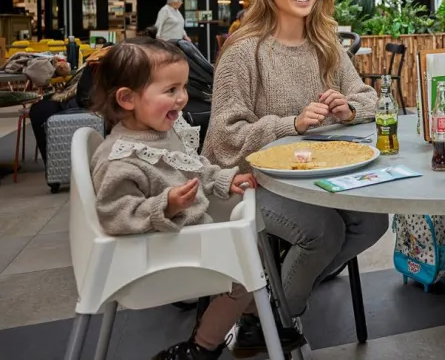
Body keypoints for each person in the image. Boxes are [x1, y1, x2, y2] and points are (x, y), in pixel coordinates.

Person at [203, 0, 387, 350]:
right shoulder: (244, 51)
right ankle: (279, 318)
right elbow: (223, 136)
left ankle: (271, 303)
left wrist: (347, 109)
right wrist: (291, 124)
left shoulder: (326, 43)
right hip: (250, 181)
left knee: (374, 221)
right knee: (321, 231)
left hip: (313, 175)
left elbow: (368, 98)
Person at [87, 37, 300, 360]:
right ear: (127, 98)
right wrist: (166, 205)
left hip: (188, 238)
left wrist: (224, 180)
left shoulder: (160, 134)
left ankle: (257, 321)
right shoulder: (120, 158)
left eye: (183, 88)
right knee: (245, 276)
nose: (183, 98)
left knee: (251, 252)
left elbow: (193, 167)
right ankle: (201, 346)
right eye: (170, 90)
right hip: (160, 255)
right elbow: (115, 214)